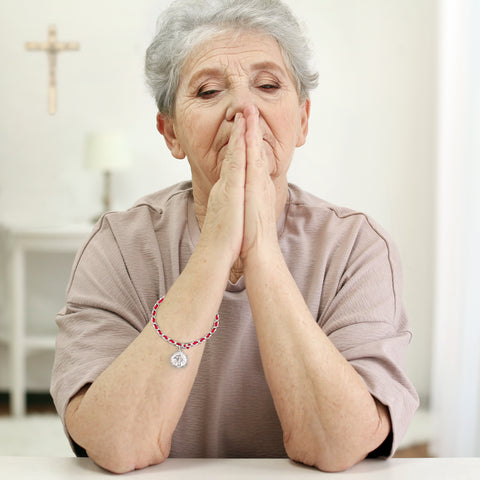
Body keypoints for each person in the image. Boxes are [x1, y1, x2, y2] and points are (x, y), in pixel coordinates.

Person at [51, 0, 419, 474]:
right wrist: (214, 251)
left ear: (302, 120)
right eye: (207, 91)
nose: (243, 108)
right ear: (171, 133)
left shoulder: (358, 247)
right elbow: (118, 444)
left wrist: (261, 252)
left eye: (268, 86)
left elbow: (338, 444)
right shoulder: (117, 247)